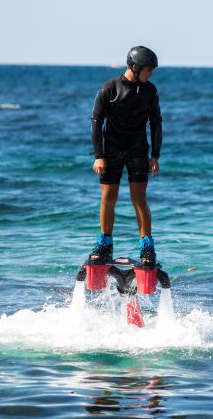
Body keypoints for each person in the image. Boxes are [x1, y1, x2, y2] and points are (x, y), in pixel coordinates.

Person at [89, 46, 162, 267]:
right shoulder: (110, 88)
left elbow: (156, 123)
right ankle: (104, 245)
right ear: (134, 67)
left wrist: (155, 155)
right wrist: (99, 155)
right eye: (148, 70)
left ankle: (147, 248)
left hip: (138, 149)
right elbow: (95, 122)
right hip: (111, 149)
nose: (151, 74)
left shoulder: (150, 91)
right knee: (108, 198)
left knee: (139, 199)